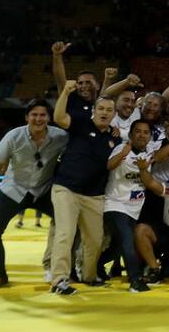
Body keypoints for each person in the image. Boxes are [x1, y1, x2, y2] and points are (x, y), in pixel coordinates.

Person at [0, 99, 69, 289]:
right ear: (27, 117)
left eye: (43, 115)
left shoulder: (61, 136)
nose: (38, 119)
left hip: (43, 191)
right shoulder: (13, 136)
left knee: (69, 226)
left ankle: (63, 271)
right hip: (14, 190)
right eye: (34, 115)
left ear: (49, 118)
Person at [50, 82, 119, 295]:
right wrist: (65, 92)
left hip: (94, 195)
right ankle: (59, 280)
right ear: (94, 111)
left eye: (109, 110)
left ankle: (89, 276)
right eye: (101, 109)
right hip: (66, 189)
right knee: (65, 233)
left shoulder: (114, 138)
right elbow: (59, 118)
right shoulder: (81, 123)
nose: (104, 113)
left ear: (114, 114)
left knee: (95, 240)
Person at [102, 119, 153, 292]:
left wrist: (143, 169)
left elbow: (147, 182)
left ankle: (96, 265)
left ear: (150, 137)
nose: (142, 135)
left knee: (118, 247)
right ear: (131, 134)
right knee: (127, 241)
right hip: (115, 204)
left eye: (146, 132)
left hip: (134, 209)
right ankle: (135, 280)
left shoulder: (148, 156)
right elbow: (109, 165)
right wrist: (122, 154)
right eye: (138, 131)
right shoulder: (121, 148)